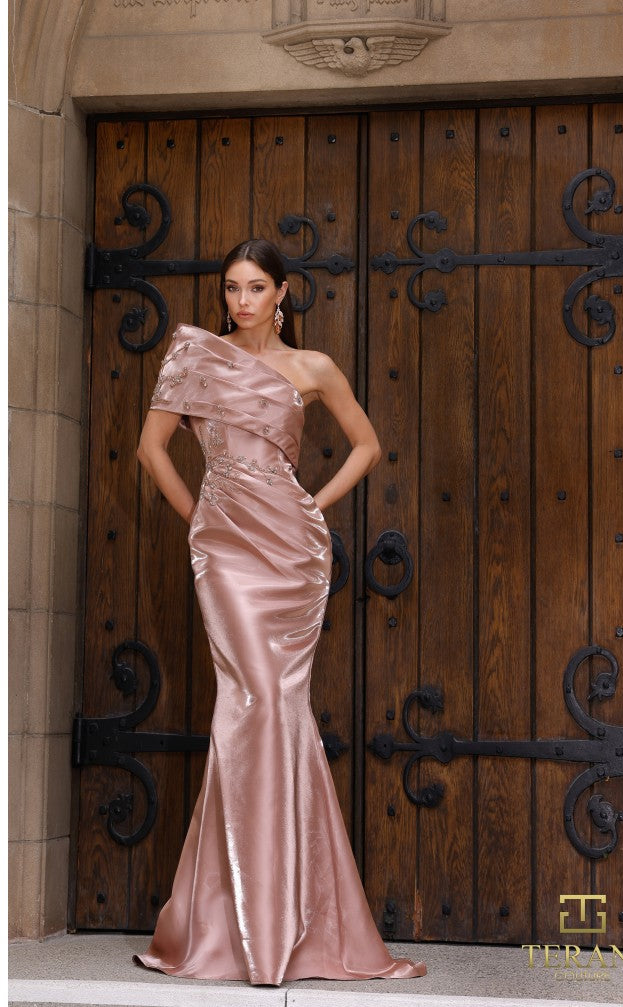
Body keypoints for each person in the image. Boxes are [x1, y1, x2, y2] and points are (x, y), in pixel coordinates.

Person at [133, 237, 427, 986]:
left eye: (256, 287)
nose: (241, 301)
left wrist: (313, 509)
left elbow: (366, 445)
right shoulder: (196, 356)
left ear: (283, 293)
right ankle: (238, 927)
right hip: (227, 553)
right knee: (255, 701)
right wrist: (201, 515)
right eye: (231, 287)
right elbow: (151, 449)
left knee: (277, 710)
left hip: (292, 555)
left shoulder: (314, 367)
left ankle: (287, 920)